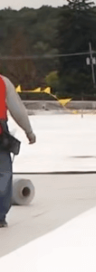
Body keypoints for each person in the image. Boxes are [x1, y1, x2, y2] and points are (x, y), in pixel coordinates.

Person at [0, 74, 37, 228]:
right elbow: (17, 110)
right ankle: (0, 216)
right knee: (3, 173)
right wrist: (29, 131)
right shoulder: (3, 82)